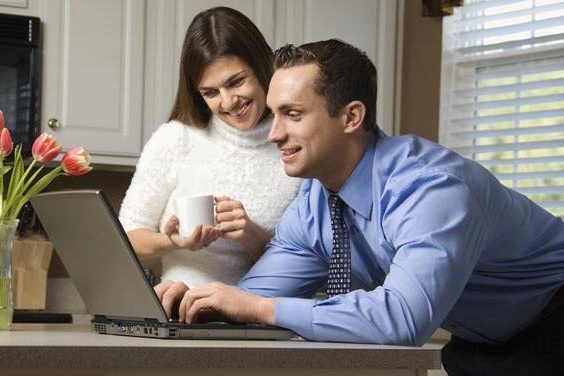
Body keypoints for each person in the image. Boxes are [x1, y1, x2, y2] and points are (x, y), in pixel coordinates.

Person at [154, 39, 564, 376]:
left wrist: (258, 307)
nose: (275, 134)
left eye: (292, 115)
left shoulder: (432, 188)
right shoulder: (313, 204)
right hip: (478, 341)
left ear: (351, 116)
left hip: (554, 324)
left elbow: (402, 319)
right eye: (274, 114)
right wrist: (194, 304)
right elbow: (252, 299)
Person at [118, 7, 301, 289]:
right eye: (210, 92)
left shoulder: (296, 149)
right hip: (179, 311)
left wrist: (251, 235)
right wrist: (172, 241)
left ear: (263, 65)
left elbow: (305, 265)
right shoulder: (176, 139)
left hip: (257, 322)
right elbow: (125, 238)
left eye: (236, 82)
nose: (227, 103)